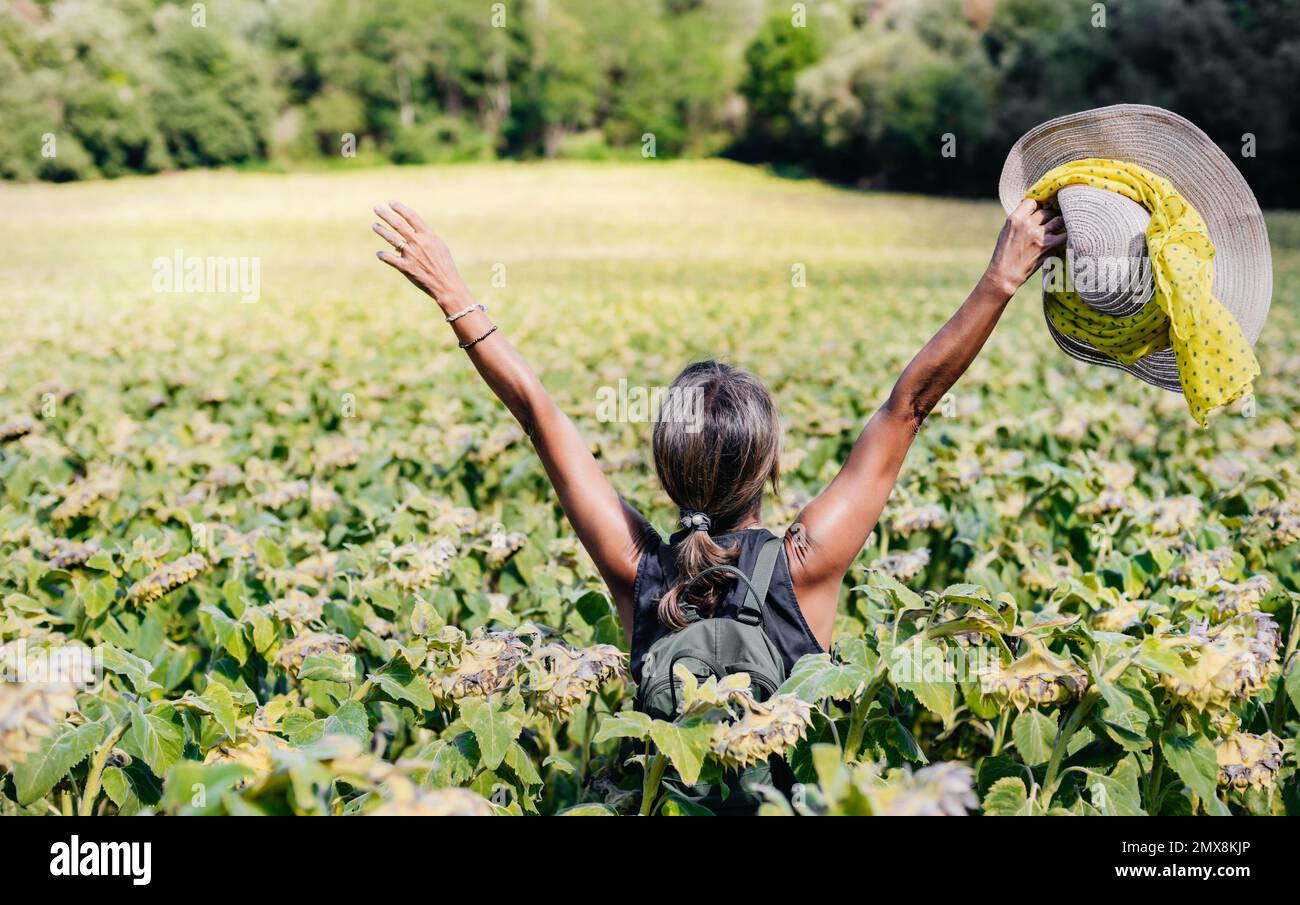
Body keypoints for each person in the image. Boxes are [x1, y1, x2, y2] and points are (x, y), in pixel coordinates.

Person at [372, 197, 1064, 673]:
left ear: (666, 471)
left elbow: (538, 415)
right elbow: (908, 404)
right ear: (767, 465)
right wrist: (1000, 279)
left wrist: (456, 297)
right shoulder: (805, 563)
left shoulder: (636, 568)